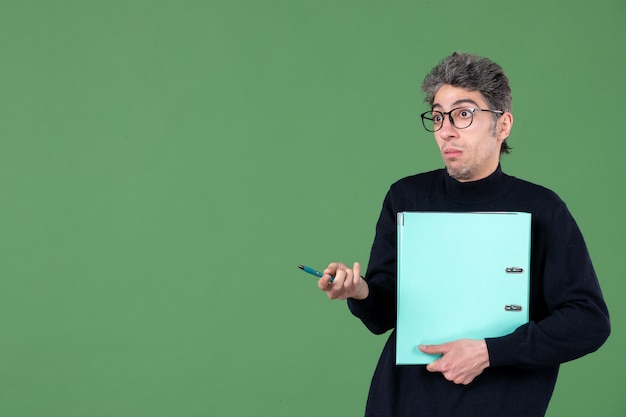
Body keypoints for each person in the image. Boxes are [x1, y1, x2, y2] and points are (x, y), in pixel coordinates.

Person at [317, 52, 610, 416]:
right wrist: (359, 291)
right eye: (438, 116)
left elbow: (588, 321)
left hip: (499, 404)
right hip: (400, 403)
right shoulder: (405, 197)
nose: (446, 130)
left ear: (502, 126)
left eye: (464, 113)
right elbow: (383, 315)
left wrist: (490, 352)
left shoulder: (543, 208)